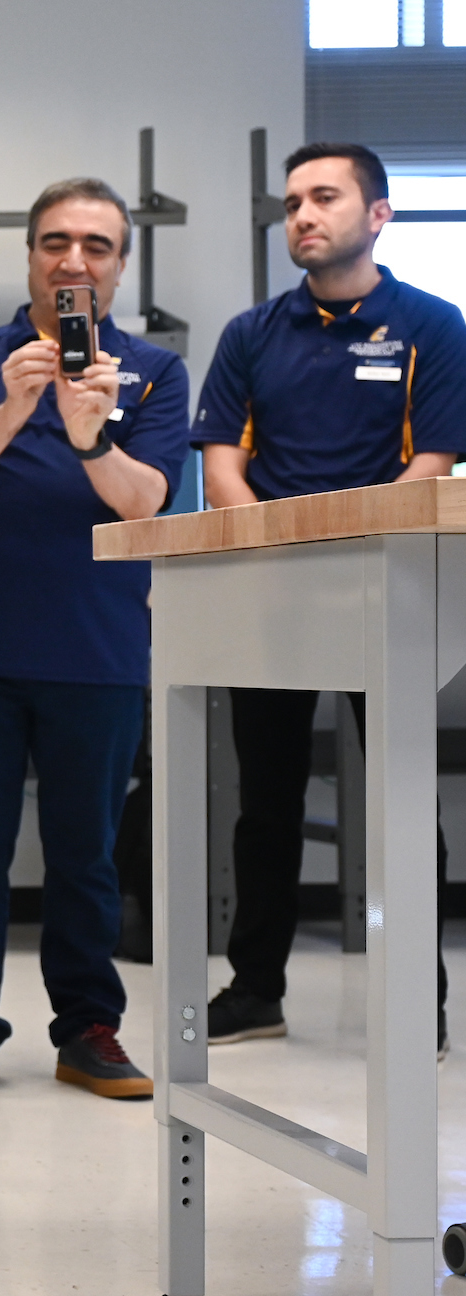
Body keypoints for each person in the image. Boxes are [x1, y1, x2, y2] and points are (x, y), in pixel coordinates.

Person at [0, 179, 189, 1100]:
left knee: (85, 851)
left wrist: (88, 434)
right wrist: (11, 407)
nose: (75, 261)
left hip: (96, 648)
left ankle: (89, 1027)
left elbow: (146, 503)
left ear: (119, 265)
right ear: (30, 255)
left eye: (97, 246)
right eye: (56, 243)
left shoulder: (150, 372)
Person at [194, 142, 466, 1052]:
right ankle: (255, 988)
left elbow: (431, 468)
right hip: (272, 596)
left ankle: (413, 1001)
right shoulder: (250, 334)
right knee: (263, 802)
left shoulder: (433, 325)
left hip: (387, 593)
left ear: (378, 214)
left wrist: (340, 554)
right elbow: (223, 467)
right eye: (292, 203)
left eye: (324, 197)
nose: (302, 216)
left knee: (399, 802)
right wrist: (282, 555)